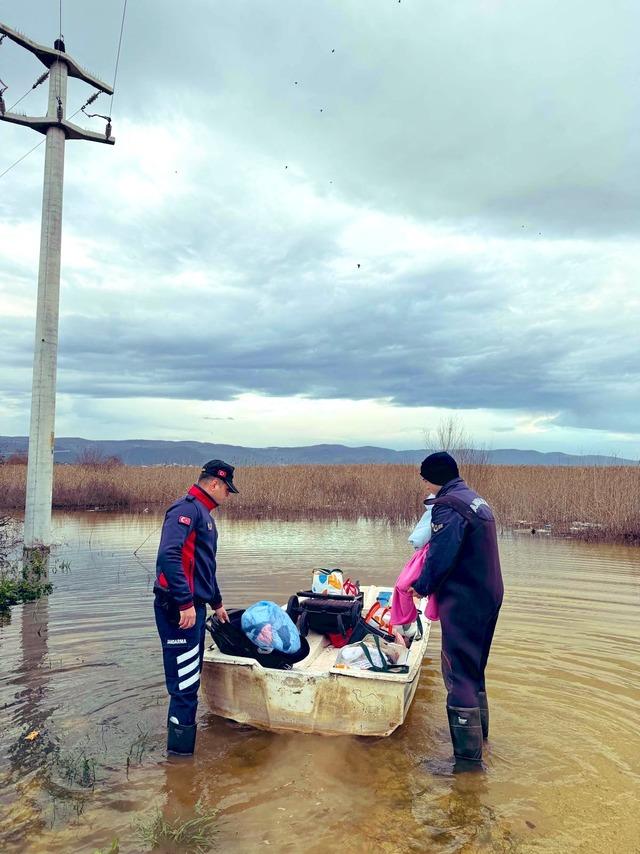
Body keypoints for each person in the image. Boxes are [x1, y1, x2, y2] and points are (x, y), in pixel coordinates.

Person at [409, 451, 503, 766]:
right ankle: (481, 743)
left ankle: (466, 764)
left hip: (465, 600)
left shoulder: (448, 507)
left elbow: (441, 555)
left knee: (458, 674)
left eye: (424, 477)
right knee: (474, 671)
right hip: (488, 595)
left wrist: (420, 586)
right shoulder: (474, 500)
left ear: (433, 476)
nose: (422, 482)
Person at [154, 459, 238, 756]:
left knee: (190, 680)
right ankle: (178, 765)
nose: (228, 495)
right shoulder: (186, 510)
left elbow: (203, 568)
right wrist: (185, 603)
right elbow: (169, 555)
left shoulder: (204, 515)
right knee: (185, 687)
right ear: (214, 483)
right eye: (227, 490)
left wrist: (217, 603)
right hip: (180, 610)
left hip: (195, 607)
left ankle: (181, 758)